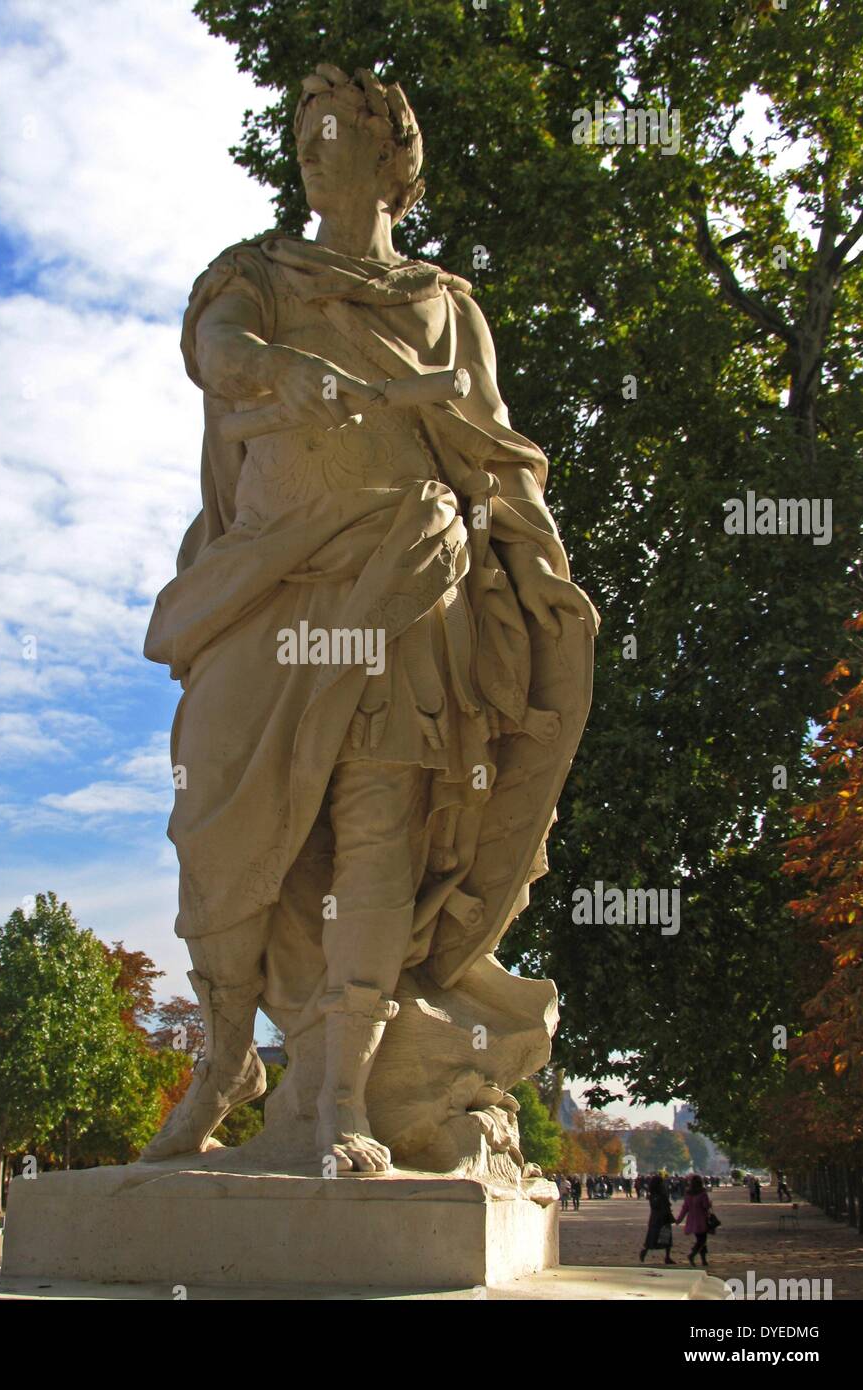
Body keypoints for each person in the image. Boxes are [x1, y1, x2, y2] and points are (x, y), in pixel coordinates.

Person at [137, 62, 597, 1175]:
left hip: (407, 581)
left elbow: (494, 451)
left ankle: (340, 1096)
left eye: (335, 122)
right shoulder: (254, 275)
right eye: (300, 121)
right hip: (270, 585)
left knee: (378, 827)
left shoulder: (443, 305)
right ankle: (224, 1055)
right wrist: (273, 371)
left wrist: (529, 568)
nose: (311, 138)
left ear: (393, 156)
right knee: (221, 824)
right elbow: (219, 353)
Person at [676, 1174, 713, 1268]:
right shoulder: (702, 1193)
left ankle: (703, 1260)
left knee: (700, 1240)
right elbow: (706, 1206)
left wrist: (679, 1220)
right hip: (701, 1219)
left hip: (692, 1220)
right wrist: (709, 1204)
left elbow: (685, 1208)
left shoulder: (688, 1194)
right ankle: (692, 1255)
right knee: (702, 1240)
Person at [640, 1174, 676, 1265]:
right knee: (666, 1238)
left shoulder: (652, 1195)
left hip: (654, 1218)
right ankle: (667, 1257)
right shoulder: (662, 1194)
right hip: (664, 1218)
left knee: (652, 1237)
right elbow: (666, 1206)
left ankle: (645, 1251)